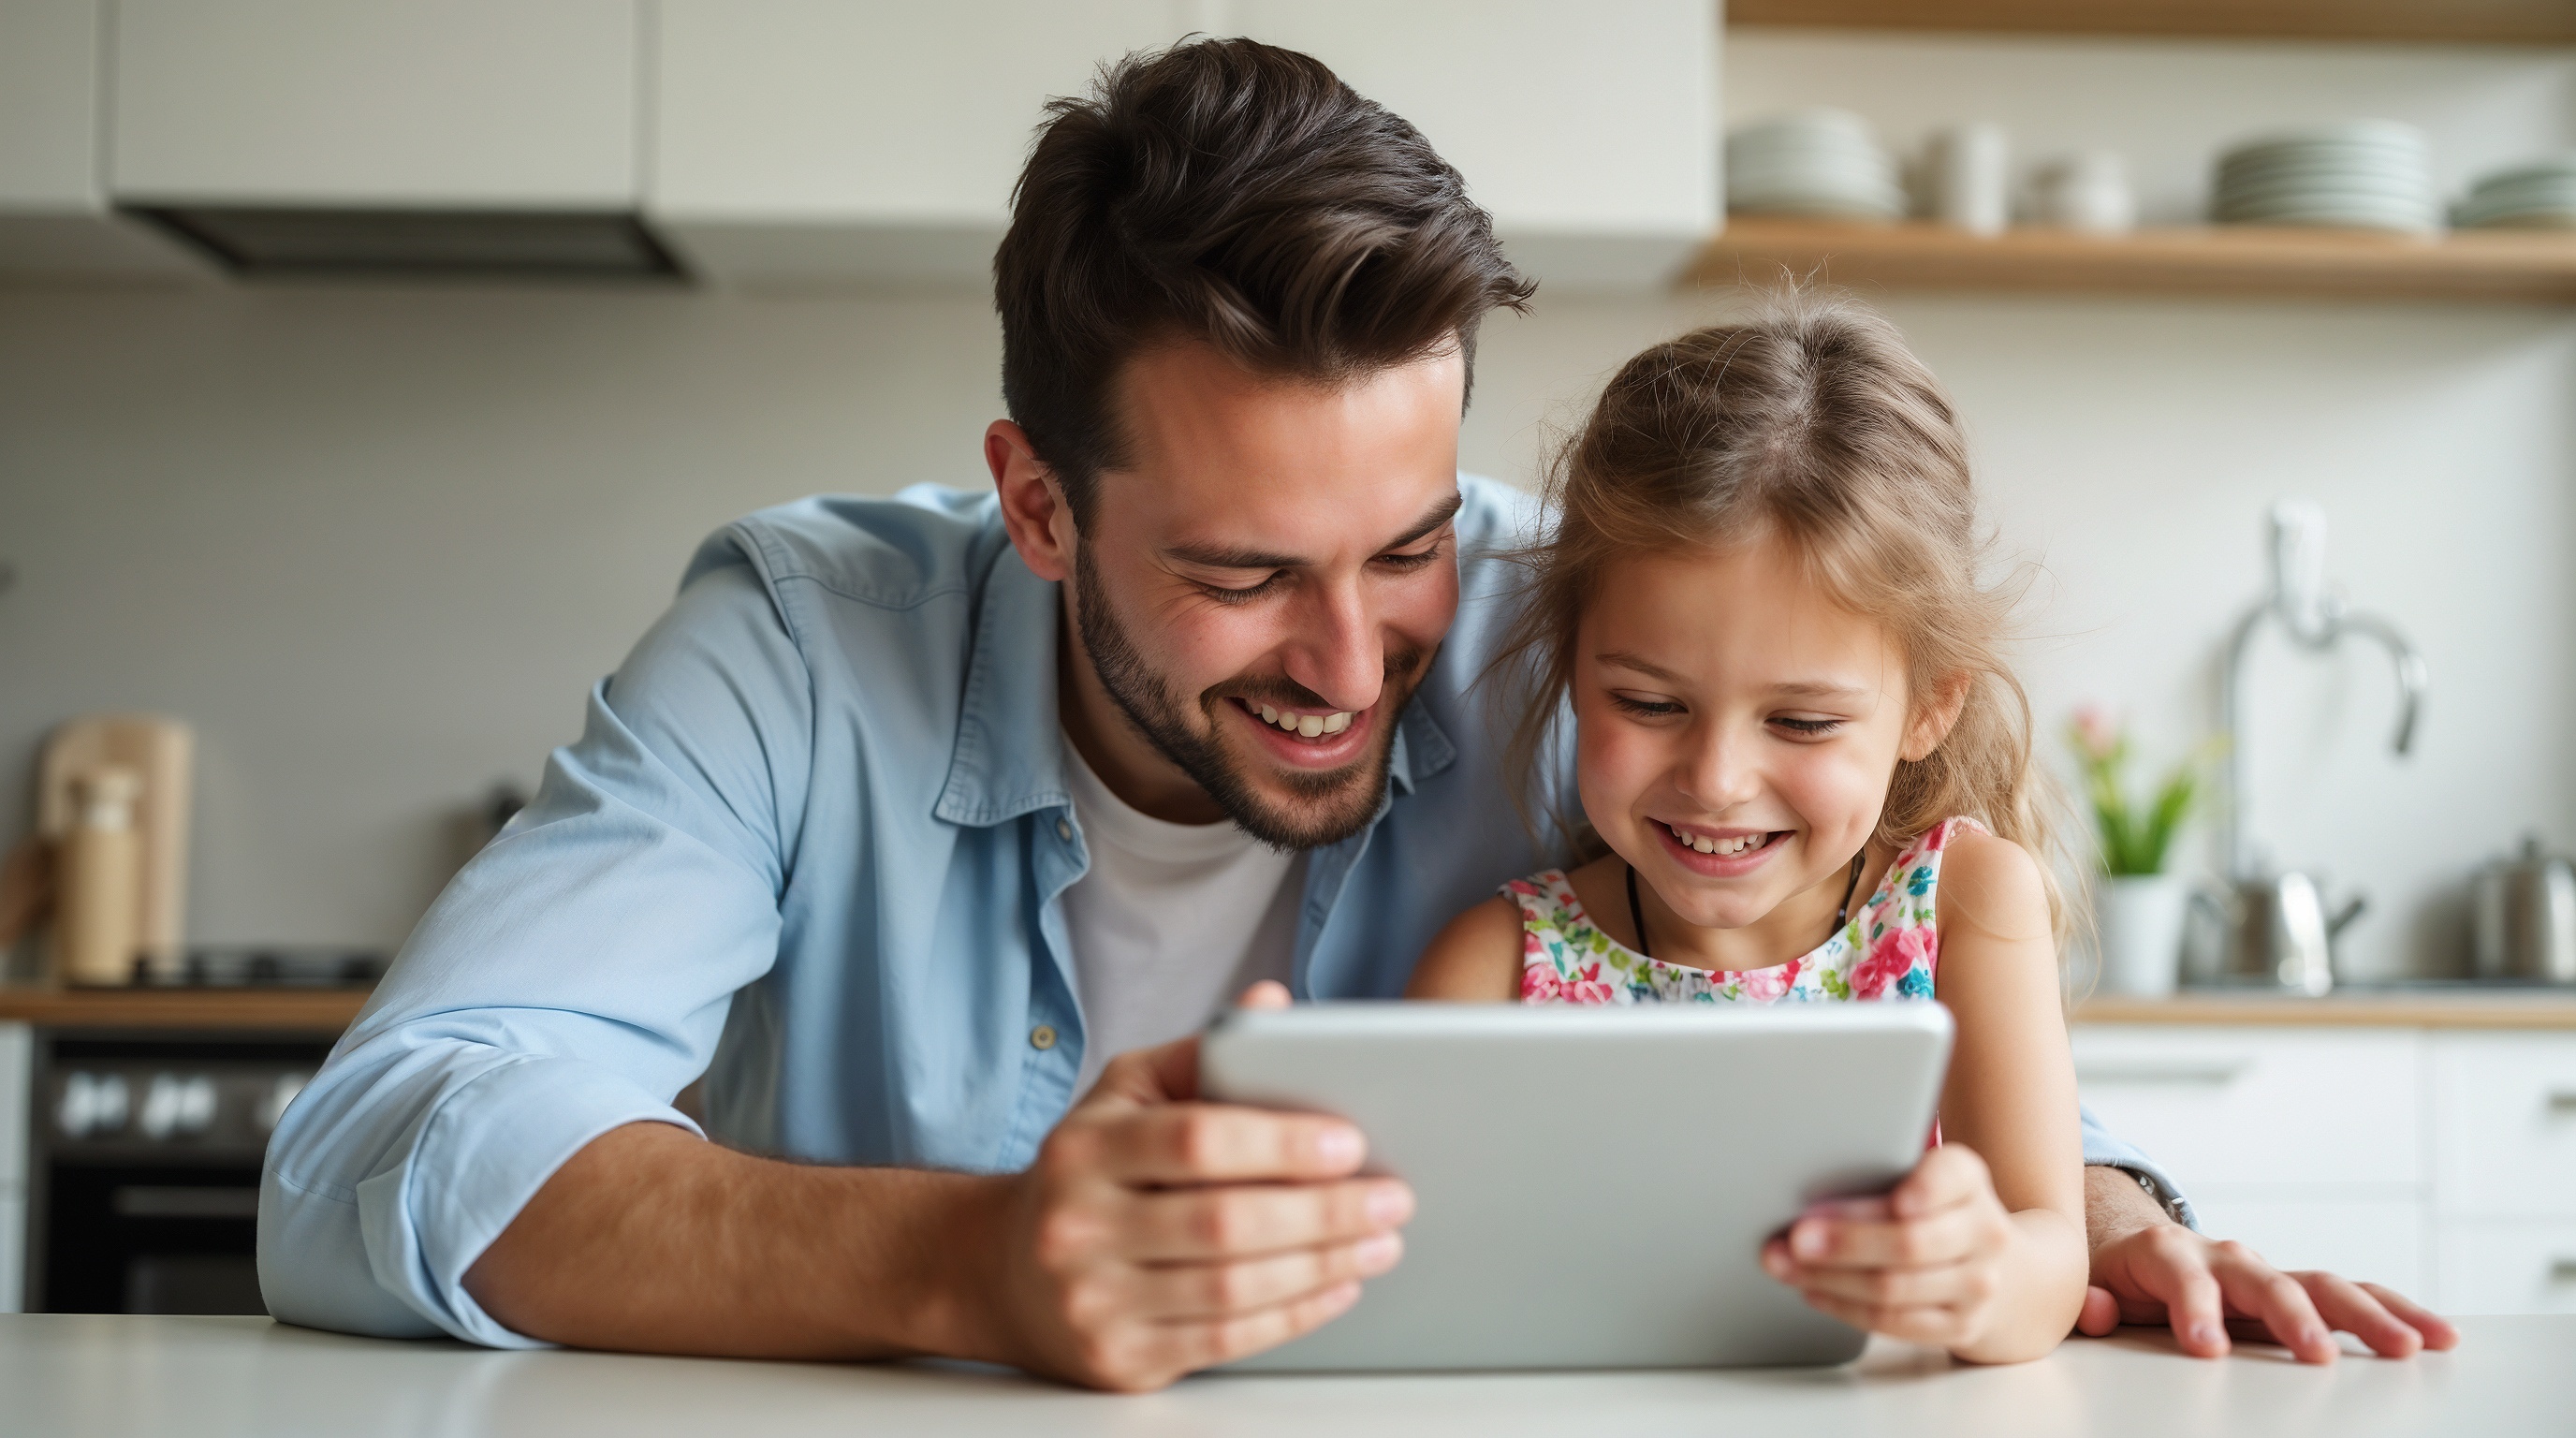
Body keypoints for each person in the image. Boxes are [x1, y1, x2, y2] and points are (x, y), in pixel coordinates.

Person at [258, 38, 2453, 1390]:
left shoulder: (1564, 631)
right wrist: (972, 1258)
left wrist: (2094, 1207)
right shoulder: (801, 642)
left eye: (1400, 540)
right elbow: (377, 1145)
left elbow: (1820, 918)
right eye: (1233, 572)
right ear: (1037, 499)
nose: (1346, 653)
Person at [1410, 299, 2092, 1362]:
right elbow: (1422, 1284)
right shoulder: (1496, 964)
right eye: (1648, 703)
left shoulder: (1964, 907)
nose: (1717, 780)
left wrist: (1982, 1275)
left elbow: (2049, 1256)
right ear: (1573, 671)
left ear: (1929, 706)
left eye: (1802, 722)